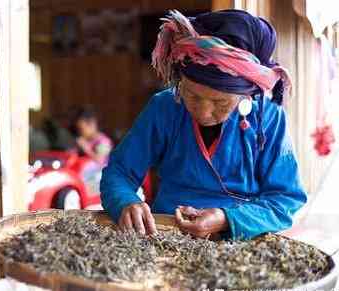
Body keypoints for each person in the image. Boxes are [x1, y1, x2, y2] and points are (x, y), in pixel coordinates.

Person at [100, 10, 307, 240]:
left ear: (246, 95)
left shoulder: (269, 119)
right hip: (165, 235)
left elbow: (286, 199)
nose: (204, 112)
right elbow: (119, 172)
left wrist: (226, 219)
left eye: (220, 102)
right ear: (180, 82)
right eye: (193, 96)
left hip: (240, 239)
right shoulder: (165, 107)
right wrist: (126, 202)